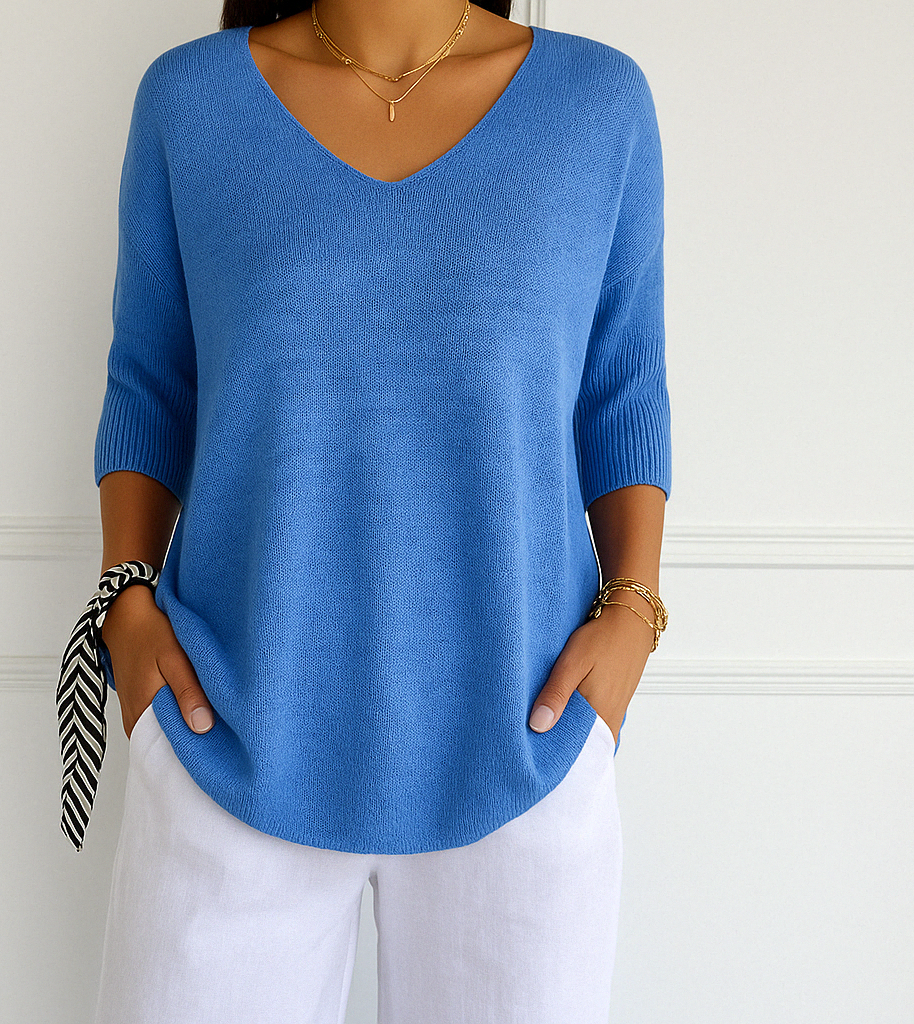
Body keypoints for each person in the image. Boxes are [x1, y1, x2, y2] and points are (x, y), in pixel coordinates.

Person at [86, 0, 671, 1021]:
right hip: (225, 726)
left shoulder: (596, 105)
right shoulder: (191, 102)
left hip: (525, 736)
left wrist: (634, 612)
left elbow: (622, 390)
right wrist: (124, 603)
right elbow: (150, 383)